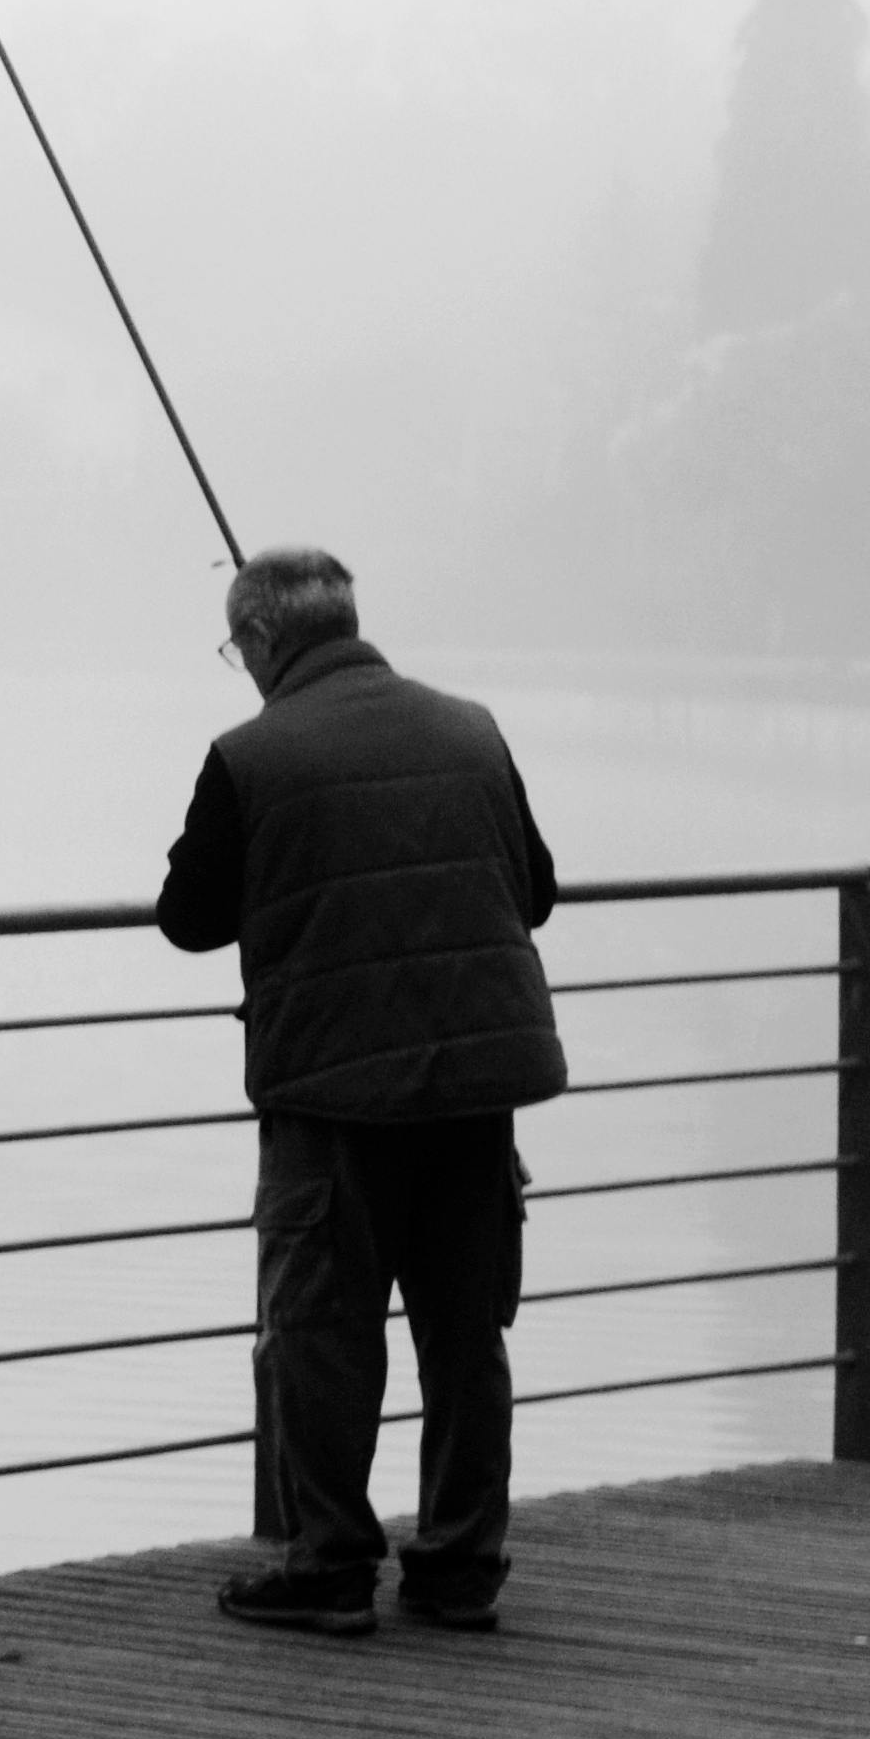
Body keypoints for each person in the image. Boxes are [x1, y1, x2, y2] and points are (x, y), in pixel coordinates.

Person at [155, 545, 562, 1636]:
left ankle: (331, 1566)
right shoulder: (471, 727)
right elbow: (537, 888)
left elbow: (187, 917)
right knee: (465, 1335)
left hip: (334, 1094)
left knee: (321, 1335)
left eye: (236, 646)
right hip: (475, 1085)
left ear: (262, 642)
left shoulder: (249, 755)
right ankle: (461, 1567)